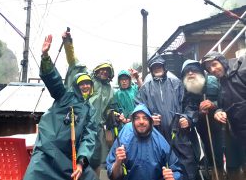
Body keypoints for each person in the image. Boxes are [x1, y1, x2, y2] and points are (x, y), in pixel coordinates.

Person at [24, 35, 98, 180]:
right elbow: (54, 81)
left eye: (88, 83)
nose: (85, 86)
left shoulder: (91, 110)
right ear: (76, 86)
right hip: (46, 151)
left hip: (69, 157)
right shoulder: (65, 96)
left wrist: (81, 162)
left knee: (91, 177)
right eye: (82, 83)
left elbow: (89, 137)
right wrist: (45, 56)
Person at [136, 54, 198, 180]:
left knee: (187, 167)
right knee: (161, 169)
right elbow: (139, 109)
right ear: (151, 70)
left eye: (159, 66)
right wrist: (149, 119)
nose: (157, 69)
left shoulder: (177, 84)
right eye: (154, 67)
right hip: (156, 136)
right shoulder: (145, 89)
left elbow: (190, 105)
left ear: (164, 68)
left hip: (179, 134)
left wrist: (188, 118)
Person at [62, 31, 115, 175]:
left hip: (97, 129)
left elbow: (108, 109)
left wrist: (114, 114)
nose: (104, 72)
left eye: (107, 71)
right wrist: (68, 43)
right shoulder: (87, 78)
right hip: (79, 125)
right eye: (102, 69)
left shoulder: (110, 90)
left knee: (100, 160)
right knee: (76, 158)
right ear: (97, 69)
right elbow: (73, 61)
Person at [106, 104, 183, 180]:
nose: (141, 122)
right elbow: (113, 176)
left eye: (145, 118)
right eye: (137, 118)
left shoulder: (159, 141)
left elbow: (176, 170)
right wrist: (117, 162)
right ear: (132, 121)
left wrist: (172, 177)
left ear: (150, 121)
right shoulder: (124, 137)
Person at [201, 51, 246, 180]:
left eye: (214, 64)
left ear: (222, 61)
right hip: (238, 134)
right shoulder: (221, 83)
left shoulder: (241, 69)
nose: (213, 70)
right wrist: (218, 111)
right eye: (209, 68)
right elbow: (223, 105)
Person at [181, 59, 223, 179]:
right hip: (201, 128)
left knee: (222, 155)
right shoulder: (186, 88)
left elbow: (224, 100)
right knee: (209, 154)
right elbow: (187, 108)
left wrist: (213, 105)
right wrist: (198, 113)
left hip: (220, 125)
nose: (190, 73)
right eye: (187, 71)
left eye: (193, 70)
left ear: (199, 71)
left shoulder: (213, 81)